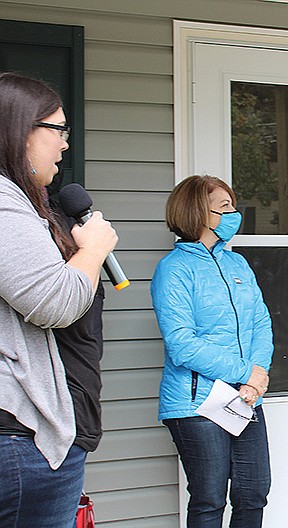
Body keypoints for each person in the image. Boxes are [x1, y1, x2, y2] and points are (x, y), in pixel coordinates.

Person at [0, 72, 118, 526]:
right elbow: (55, 303)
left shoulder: (25, 204)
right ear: (20, 129)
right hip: (18, 439)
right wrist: (91, 250)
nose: (65, 144)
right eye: (58, 130)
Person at [151, 175, 274, 528]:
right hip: (196, 404)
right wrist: (243, 372)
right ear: (197, 212)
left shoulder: (238, 265)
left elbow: (260, 325)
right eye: (225, 207)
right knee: (209, 498)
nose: (234, 213)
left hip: (246, 398)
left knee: (253, 493)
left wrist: (256, 378)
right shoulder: (173, 269)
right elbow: (181, 343)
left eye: (233, 205)